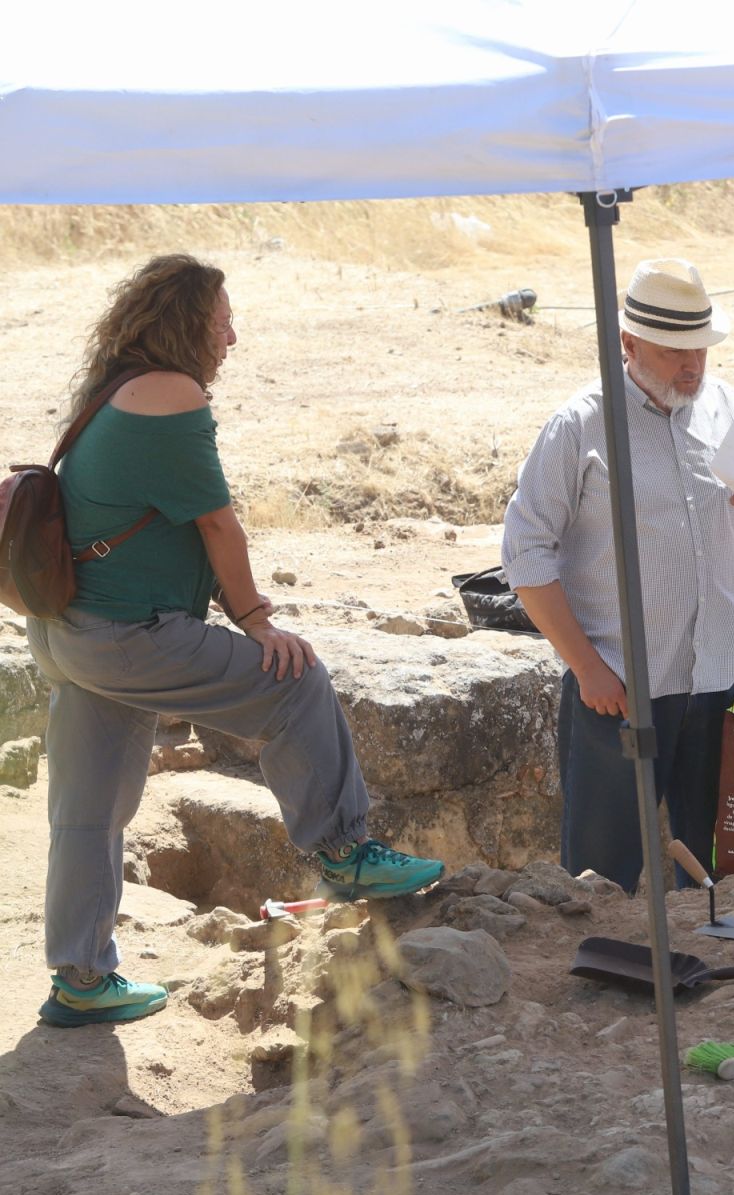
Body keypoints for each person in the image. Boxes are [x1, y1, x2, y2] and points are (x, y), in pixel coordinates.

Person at [30, 254, 445, 1029]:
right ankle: (345, 850)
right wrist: (257, 621)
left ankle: (81, 979)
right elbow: (217, 523)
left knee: (89, 812)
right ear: (187, 322)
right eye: (221, 321)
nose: (232, 337)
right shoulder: (172, 394)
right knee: (294, 684)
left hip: (69, 634)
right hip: (128, 637)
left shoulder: (114, 388)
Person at [502, 258, 734, 894]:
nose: (692, 366)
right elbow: (524, 552)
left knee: (724, 870)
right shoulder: (579, 423)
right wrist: (588, 668)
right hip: (621, 688)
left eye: (701, 350)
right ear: (628, 345)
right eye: (673, 351)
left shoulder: (731, 407)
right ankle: (609, 985)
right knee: (603, 878)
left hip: (721, 678)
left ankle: (717, 984)